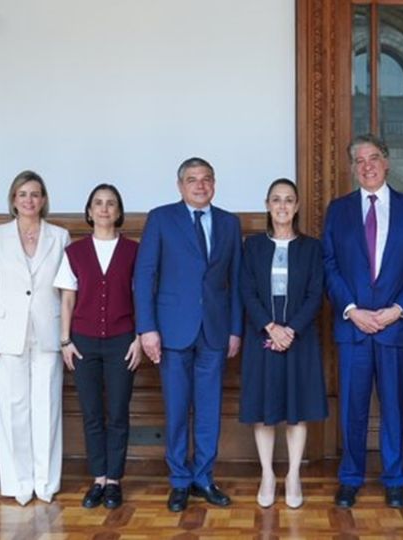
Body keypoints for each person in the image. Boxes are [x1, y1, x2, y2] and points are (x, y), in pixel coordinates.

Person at [322, 134, 403, 509]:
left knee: (393, 409)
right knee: (352, 408)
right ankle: (350, 478)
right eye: (359, 160)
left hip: (394, 327)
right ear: (352, 168)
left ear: (386, 162)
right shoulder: (338, 210)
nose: (366, 166)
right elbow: (329, 265)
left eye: (373, 158)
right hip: (353, 327)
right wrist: (352, 310)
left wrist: (399, 309)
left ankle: (394, 478)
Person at [134, 157, 243, 512]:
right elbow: (144, 276)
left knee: (209, 410)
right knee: (177, 408)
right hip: (171, 331)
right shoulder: (161, 218)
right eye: (192, 179)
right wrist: (147, 328)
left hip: (215, 330)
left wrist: (235, 329)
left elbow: (237, 281)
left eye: (206, 179)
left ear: (214, 184)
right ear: (180, 186)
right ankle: (179, 480)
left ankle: (204, 478)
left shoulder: (229, 223)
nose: (200, 185)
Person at [0, 170, 70, 506]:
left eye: (35, 194)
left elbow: (67, 290)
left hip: (48, 332)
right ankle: (18, 482)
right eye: (23, 194)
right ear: (13, 200)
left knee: (47, 407)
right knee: (12, 408)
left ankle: (46, 482)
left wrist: (67, 335)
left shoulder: (60, 236)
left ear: (43, 200)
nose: (29, 200)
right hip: (6, 333)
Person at [239, 178, 327, 509]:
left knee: (296, 409)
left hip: (299, 339)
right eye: (276, 199)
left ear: (297, 206)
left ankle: (293, 475)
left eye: (289, 200)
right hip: (261, 336)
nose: (282, 206)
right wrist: (271, 327)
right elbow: (247, 291)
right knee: (263, 410)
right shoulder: (252, 246)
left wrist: (290, 330)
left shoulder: (312, 248)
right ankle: (267, 474)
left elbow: (315, 294)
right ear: (267, 205)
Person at [54, 183, 142, 510]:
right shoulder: (75, 252)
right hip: (83, 342)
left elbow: (141, 296)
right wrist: (65, 340)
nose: (104, 209)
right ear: (89, 212)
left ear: (118, 212)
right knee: (91, 413)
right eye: (98, 203)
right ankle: (99, 478)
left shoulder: (134, 251)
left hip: (122, 341)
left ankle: (115, 479)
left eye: (111, 203)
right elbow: (67, 299)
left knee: (117, 412)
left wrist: (139, 338)